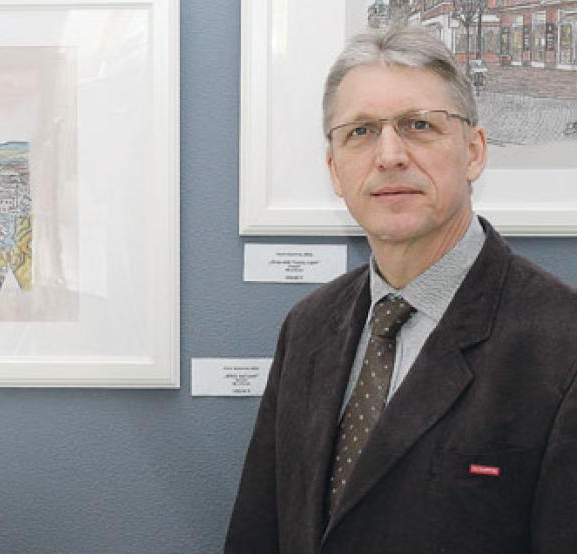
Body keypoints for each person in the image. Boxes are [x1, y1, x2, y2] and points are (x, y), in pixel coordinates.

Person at [225, 25, 577, 554]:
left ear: (474, 151)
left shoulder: (563, 345)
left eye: (418, 125)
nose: (389, 155)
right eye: (361, 132)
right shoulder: (307, 327)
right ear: (335, 170)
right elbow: (258, 533)